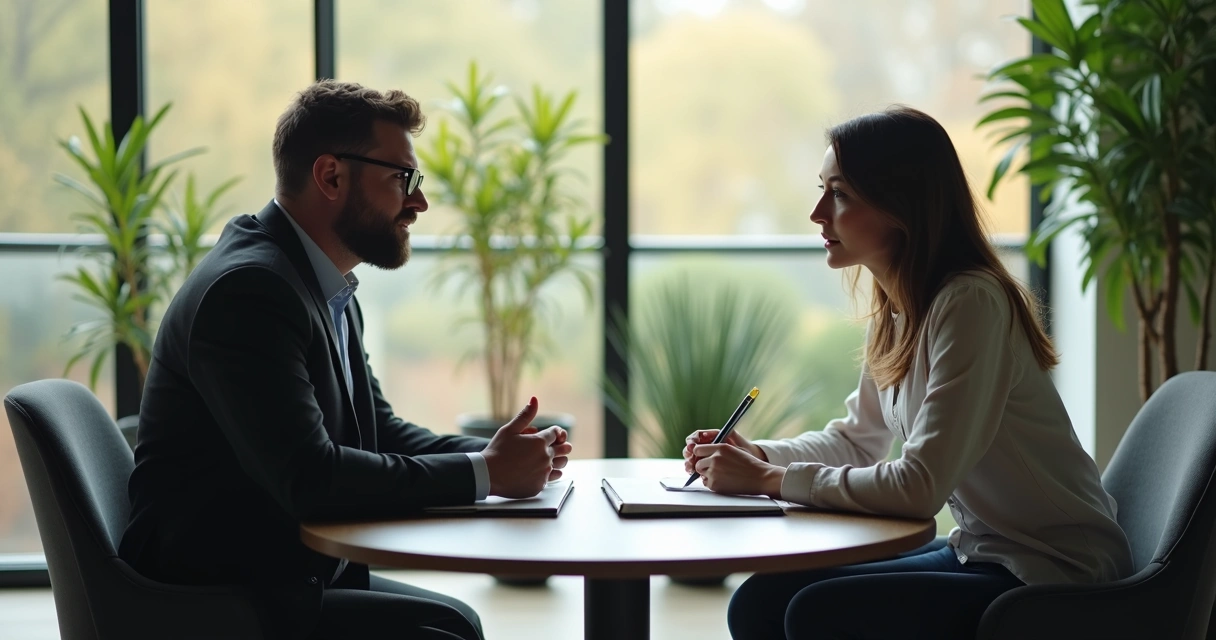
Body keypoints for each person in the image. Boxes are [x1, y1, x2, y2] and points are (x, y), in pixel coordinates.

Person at [118, 80, 573, 640]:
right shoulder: (251, 292)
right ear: (331, 175)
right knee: (449, 632)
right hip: (218, 600)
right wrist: (485, 474)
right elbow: (311, 479)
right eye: (401, 178)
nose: (419, 201)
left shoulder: (316, 282)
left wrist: (496, 453)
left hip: (280, 574)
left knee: (455, 622)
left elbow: (376, 430)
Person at [683, 106, 1133, 640]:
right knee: (760, 600)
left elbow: (919, 487)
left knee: (815, 614)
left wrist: (768, 481)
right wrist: (757, 456)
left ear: (902, 206)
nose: (817, 213)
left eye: (840, 194)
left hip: (1054, 570)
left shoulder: (970, 303)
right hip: (981, 551)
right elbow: (856, 441)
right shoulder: (899, 309)